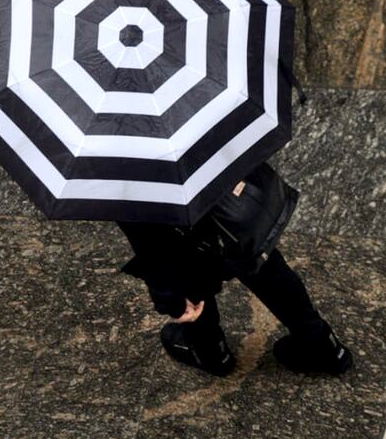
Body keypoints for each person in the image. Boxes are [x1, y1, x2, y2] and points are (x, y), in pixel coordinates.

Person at [117, 162, 352, 377]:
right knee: (262, 262)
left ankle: (213, 354)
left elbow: (151, 247)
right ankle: (322, 345)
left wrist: (172, 302)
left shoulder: (114, 159)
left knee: (186, 271)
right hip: (230, 208)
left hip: (178, 230)